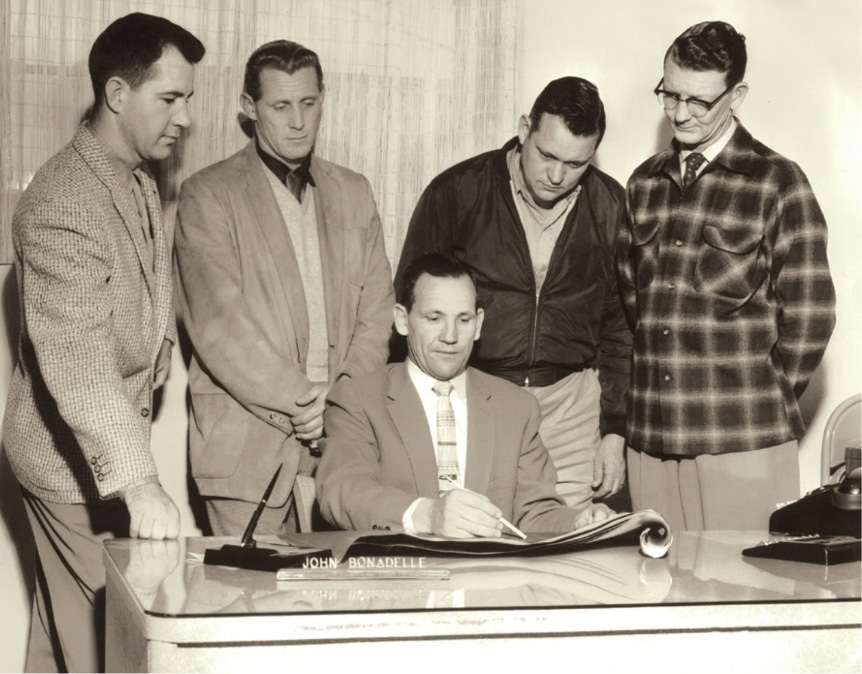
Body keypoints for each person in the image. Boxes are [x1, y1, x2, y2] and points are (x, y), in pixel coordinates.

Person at [2, 13, 204, 672]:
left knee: (61, 636)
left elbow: (143, 282)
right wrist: (141, 483)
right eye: (168, 99)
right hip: (66, 467)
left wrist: (158, 342)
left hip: (98, 457)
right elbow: (79, 365)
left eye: (187, 99)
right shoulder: (62, 202)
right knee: (112, 643)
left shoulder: (135, 176)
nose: (184, 118)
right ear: (118, 94)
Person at [619, 21, 836, 531]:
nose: (680, 113)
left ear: (736, 95)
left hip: (743, 439)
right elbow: (633, 301)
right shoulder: (643, 183)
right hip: (650, 436)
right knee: (651, 578)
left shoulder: (778, 182)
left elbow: (811, 315)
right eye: (670, 95)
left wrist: (757, 395)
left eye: (699, 101)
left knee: (743, 577)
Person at [174, 39, 394, 537]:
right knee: (249, 586)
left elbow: (378, 311)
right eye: (280, 106)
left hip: (345, 449)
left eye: (308, 103)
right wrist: (306, 404)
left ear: (323, 99)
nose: (298, 121)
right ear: (249, 108)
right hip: (246, 455)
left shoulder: (355, 191)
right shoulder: (208, 195)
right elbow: (220, 327)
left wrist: (339, 401)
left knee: (342, 586)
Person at [394, 77, 631, 512]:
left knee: (567, 538)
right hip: (476, 396)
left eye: (575, 164)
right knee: (475, 533)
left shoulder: (611, 206)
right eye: (547, 155)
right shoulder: (458, 191)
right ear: (524, 130)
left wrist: (615, 430)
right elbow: (413, 309)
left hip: (570, 410)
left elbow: (620, 330)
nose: (556, 176)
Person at [317, 253, 613, 536]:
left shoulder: (517, 407)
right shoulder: (358, 399)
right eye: (434, 318)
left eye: (463, 320)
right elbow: (342, 491)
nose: (450, 337)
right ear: (403, 320)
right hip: (401, 568)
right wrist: (430, 515)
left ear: (479, 324)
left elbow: (534, 515)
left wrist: (579, 522)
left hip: (489, 570)